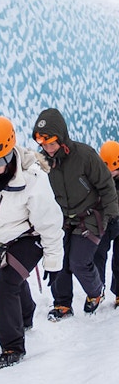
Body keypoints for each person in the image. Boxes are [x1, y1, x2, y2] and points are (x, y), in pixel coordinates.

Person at [0, 116, 63, 368]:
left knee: (3, 289)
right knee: (13, 280)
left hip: (28, 240)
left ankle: (13, 346)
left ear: (9, 155)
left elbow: (50, 224)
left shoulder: (33, 181)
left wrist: (54, 264)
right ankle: (25, 316)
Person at [32, 108, 119, 320]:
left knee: (79, 261)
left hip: (90, 216)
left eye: (51, 143)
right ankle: (62, 304)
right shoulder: (42, 162)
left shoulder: (84, 155)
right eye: (43, 144)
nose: (48, 148)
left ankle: (95, 292)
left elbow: (106, 185)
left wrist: (112, 215)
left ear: (61, 138)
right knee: (57, 258)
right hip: (61, 218)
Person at [94, 140, 119, 307]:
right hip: (103, 221)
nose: (110, 173)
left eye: (114, 170)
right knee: (98, 256)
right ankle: (97, 290)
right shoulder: (96, 177)